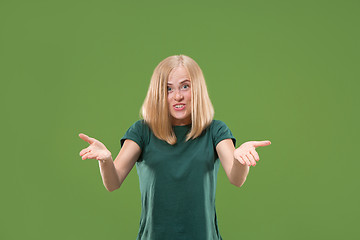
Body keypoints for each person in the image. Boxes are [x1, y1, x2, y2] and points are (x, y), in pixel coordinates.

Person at [79, 55, 271, 240]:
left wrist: (240, 159)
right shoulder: (142, 131)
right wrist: (105, 160)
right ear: (158, 93)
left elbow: (236, 178)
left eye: (185, 86)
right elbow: (113, 183)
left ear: (197, 89)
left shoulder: (215, 130)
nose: (177, 96)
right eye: (168, 89)